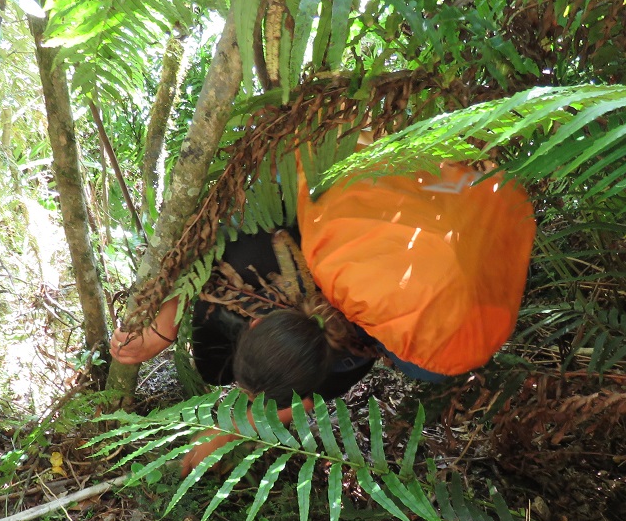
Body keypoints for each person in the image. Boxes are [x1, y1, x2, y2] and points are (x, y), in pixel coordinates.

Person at [110, 158, 536, 472]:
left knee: (429, 368)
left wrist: (229, 429)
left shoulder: (442, 352)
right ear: (259, 323)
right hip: (465, 183)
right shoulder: (313, 240)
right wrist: (162, 327)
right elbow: (200, 226)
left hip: (500, 215)